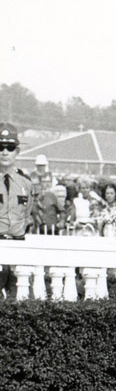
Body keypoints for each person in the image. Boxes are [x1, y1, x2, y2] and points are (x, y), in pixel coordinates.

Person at [0, 123, 35, 298]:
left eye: (10, 147)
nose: (5, 152)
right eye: (0, 147)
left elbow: (27, 214)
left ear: (17, 152)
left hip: (17, 247)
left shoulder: (25, 183)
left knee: (21, 301)